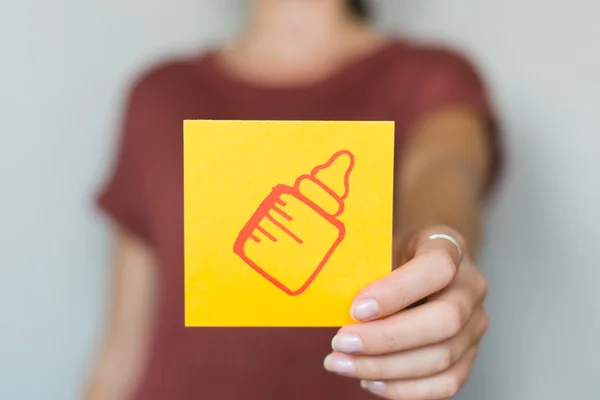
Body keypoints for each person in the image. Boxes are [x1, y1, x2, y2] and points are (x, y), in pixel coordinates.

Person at [86, 0, 501, 399]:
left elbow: (446, 171)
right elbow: (122, 352)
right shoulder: (160, 96)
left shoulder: (430, 77)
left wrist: (441, 249)